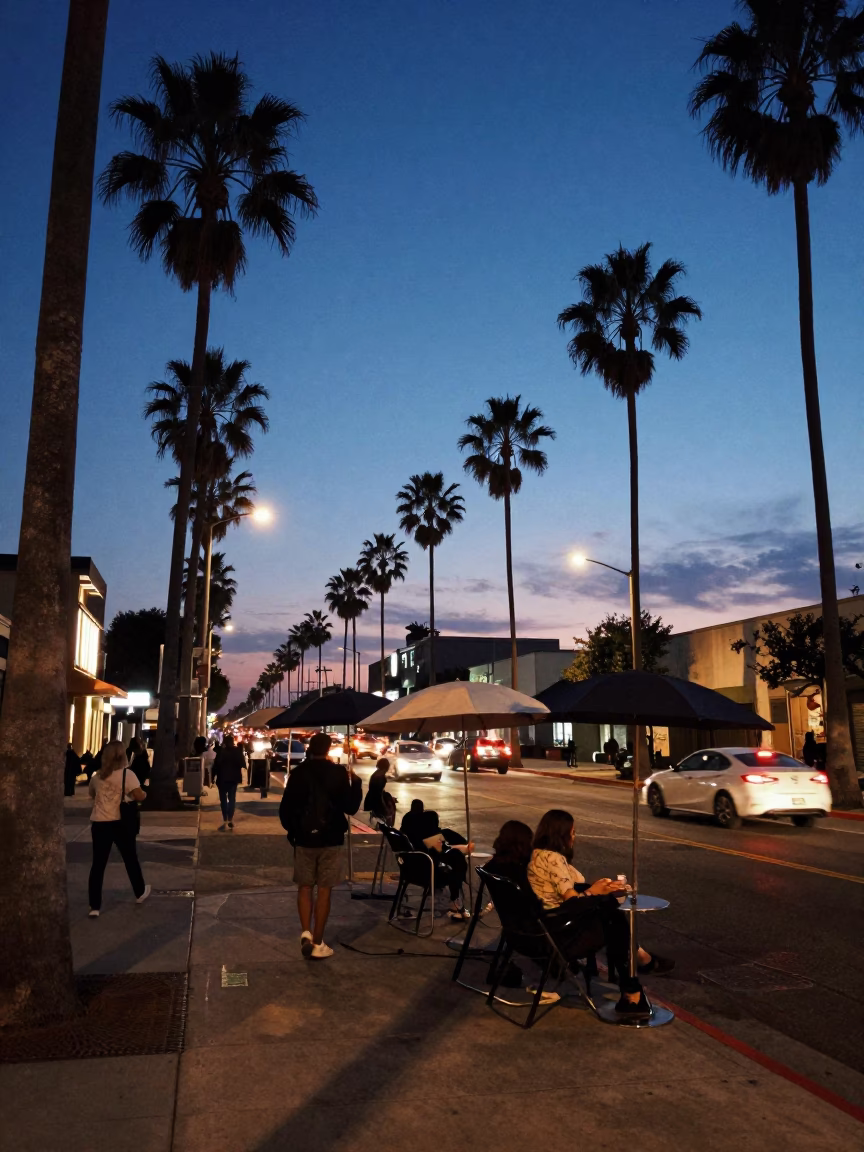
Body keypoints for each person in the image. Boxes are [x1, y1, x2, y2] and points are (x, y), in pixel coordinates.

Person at [527, 809, 674, 1018]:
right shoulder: (552, 858)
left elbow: (572, 887)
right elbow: (572, 901)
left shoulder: (538, 854)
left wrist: (599, 889)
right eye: (572, 832)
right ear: (560, 834)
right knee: (612, 919)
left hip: (551, 925)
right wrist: (593, 891)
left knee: (609, 911)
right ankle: (634, 979)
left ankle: (633, 978)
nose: (574, 837)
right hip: (561, 931)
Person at [279, 730, 362, 960]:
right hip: (331, 839)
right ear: (327, 749)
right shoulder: (338, 774)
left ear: (309, 748)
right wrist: (356, 783)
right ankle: (317, 941)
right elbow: (351, 808)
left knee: (305, 887)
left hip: (304, 840)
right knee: (324, 890)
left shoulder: (298, 774)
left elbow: (285, 810)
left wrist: (294, 832)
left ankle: (305, 931)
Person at [87, 739, 150, 916]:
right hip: (121, 822)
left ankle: (94, 905)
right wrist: (144, 793)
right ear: (122, 756)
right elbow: (138, 796)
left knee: (98, 864)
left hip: (100, 823)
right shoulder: (127, 775)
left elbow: (92, 794)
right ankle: (140, 891)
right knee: (130, 858)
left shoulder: (97, 777)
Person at [400, 799, 474, 920]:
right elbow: (443, 851)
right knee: (457, 863)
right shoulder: (432, 844)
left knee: (448, 836)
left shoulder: (410, 835)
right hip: (430, 875)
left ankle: (453, 900)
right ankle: (455, 901)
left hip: (411, 871)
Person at [212, 734, 245, 830]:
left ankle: (225, 818)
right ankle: (230, 819)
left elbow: (216, 765)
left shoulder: (221, 752)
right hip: (233, 778)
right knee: (232, 799)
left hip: (222, 778)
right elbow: (242, 764)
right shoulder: (237, 751)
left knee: (223, 799)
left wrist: (212, 778)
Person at [364, 758, 397, 825]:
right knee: (391, 810)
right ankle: (388, 827)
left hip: (372, 798)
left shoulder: (376, 774)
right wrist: (385, 806)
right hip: (376, 801)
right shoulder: (381, 777)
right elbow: (379, 794)